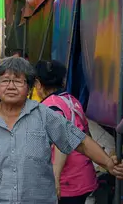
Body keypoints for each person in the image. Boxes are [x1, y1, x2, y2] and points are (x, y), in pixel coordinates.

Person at [0, 57, 123, 204]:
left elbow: (80, 141)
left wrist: (108, 163)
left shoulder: (45, 115)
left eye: (18, 81)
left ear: (29, 88)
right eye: (5, 80)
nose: (11, 86)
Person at [35, 60, 98, 204]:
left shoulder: (50, 106)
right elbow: (86, 136)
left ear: (38, 84)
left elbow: (61, 141)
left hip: (67, 182)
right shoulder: (72, 100)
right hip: (84, 175)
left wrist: (55, 179)